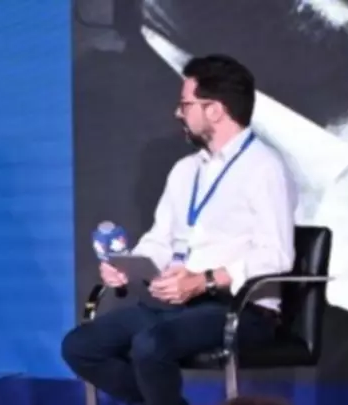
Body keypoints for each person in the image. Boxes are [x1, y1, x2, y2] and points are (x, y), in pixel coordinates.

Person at [62, 55, 297, 405]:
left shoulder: (265, 167)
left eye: (185, 104)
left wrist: (204, 280)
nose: (177, 113)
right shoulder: (185, 170)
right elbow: (161, 239)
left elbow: (277, 255)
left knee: (150, 345)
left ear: (214, 110)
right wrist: (129, 266)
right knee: (80, 346)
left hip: (239, 309)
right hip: (178, 304)